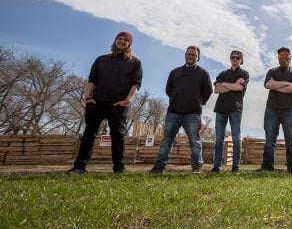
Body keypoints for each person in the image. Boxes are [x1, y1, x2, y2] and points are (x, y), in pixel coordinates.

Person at [67, 31, 142, 174]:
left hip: (118, 104)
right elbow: (92, 79)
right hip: (97, 102)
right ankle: (79, 167)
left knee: (118, 135)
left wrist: (128, 100)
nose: (122, 41)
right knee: (89, 134)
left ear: (129, 44)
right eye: (119, 38)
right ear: (115, 41)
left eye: (125, 40)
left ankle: (119, 168)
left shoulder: (135, 63)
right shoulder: (101, 60)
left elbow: (136, 83)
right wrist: (88, 97)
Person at [150, 46, 212, 174]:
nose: (191, 56)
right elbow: (168, 90)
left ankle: (196, 167)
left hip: (193, 113)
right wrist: (176, 98)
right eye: (189, 54)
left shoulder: (203, 73)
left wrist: (198, 102)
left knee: (195, 142)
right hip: (174, 112)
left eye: (194, 55)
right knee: (166, 141)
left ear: (198, 57)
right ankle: (159, 167)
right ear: (185, 55)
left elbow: (208, 91)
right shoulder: (175, 72)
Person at [259, 47, 292, 173]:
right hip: (272, 109)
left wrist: (276, 85)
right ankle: (267, 166)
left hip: (290, 110)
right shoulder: (272, 71)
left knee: (290, 138)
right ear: (278, 57)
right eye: (282, 54)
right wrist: (286, 84)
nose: (285, 56)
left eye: (287, 54)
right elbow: (267, 85)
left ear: (290, 56)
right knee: (270, 139)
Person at [211, 50, 250, 174]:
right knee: (219, 139)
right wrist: (232, 85)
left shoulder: (244, 73)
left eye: (237, 58)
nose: (235, 59)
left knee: (236, 139)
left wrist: (225, 85)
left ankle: (235, 167)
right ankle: (216, 166)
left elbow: (239, 88)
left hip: (236, 108)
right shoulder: (223, 73)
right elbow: (217, 90)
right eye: (233, 57)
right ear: (230, 59)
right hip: (220, 109)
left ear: (241, 60)